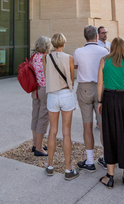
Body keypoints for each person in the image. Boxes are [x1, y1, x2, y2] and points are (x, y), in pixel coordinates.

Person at [97, 37, 124, 188]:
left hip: (109, 98)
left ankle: (110, 176)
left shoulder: (104, 61)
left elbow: (100, 83)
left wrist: (100, 101)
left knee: (110, 134)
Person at [43, 33, 79, 180]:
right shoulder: (69, 58)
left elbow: (47, 76)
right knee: (66, 132)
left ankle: (50, 166)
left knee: (52, 131)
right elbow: (71, 78)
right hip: (65, 94)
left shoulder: (46, 58)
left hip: (52, 95)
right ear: (63, 43)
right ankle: (68, 169)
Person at [74, 25, 109, 172]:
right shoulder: (104, 51)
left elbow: (76, 66)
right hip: (101, 87)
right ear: (96, 36)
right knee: (103, 126)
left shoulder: (78, 51)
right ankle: (107, 158)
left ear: (84, 37)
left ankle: (89, 160)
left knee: (87, 124)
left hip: (85, 88)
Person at [29, 36, 51, 157]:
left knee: (35, 116)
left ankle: (36, 143)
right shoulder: (46, 58)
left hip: (35, 89)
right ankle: (39, 148)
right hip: (44, 89)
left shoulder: (34, 57)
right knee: (43, 118)